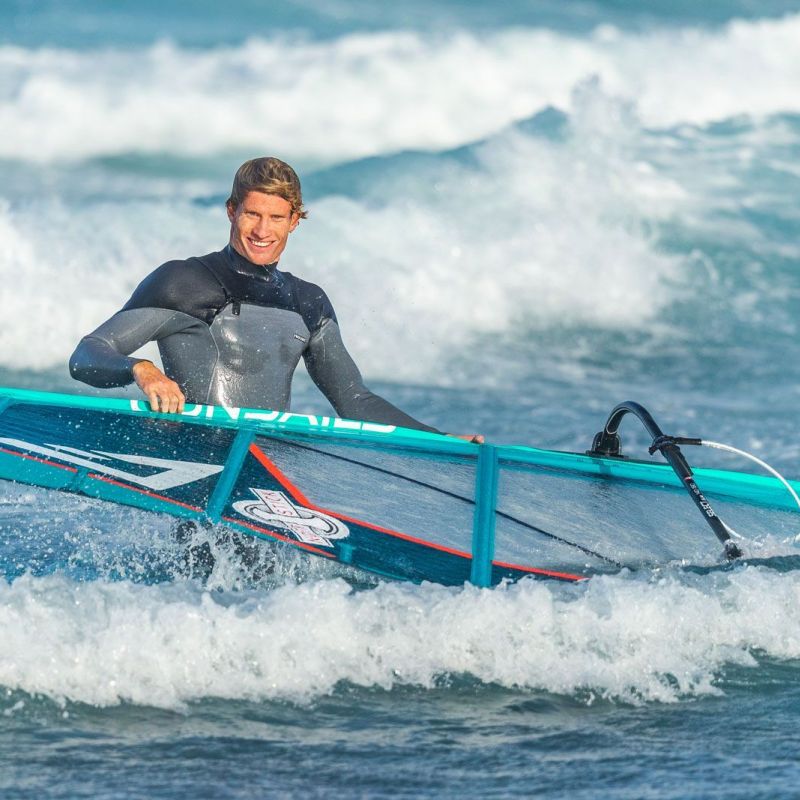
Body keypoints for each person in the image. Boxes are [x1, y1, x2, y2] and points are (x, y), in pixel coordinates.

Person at [70, 156, 481, 442]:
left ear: (295, 221)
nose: (262, 231)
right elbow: (87, 354)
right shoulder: (183, 282)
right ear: (231, 211)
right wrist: (142, 370)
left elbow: (354, 400)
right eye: (252, 214)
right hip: (194, 468)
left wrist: (441, 440)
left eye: (276, 217)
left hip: (267, 473)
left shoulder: (308, 303)